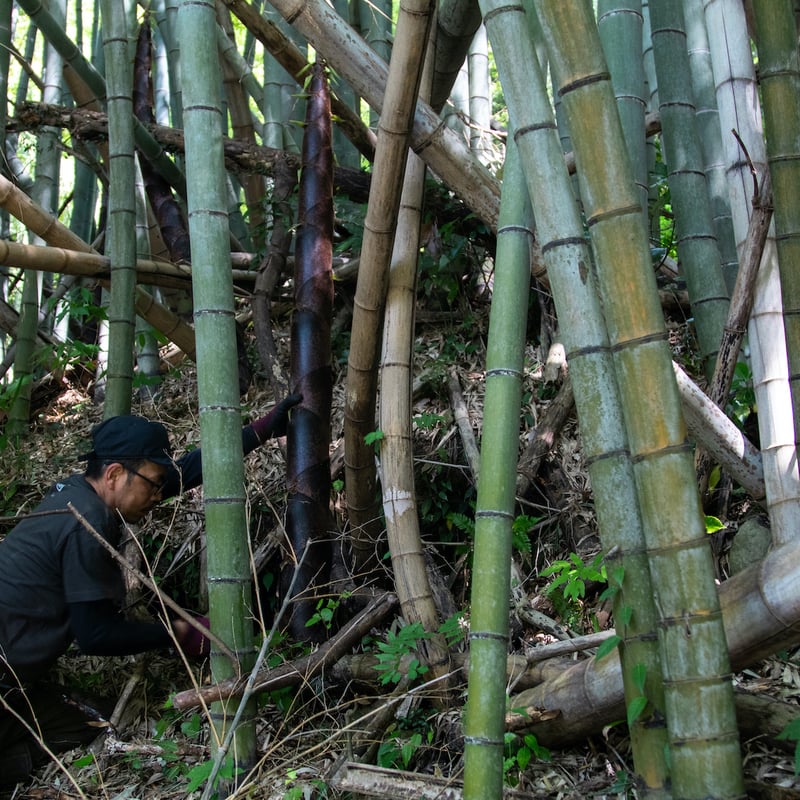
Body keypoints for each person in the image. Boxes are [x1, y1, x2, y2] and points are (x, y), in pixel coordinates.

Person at [0, 394, 301, 787]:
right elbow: (96, 634)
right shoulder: (87, 525)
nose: (160, 496)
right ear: (113, 475)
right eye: (154, 485)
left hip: (13, 670)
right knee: (92, 722)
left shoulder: (73, 492)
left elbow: (172, 475)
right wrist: (181, 631)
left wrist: (258, 431)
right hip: (8, 680)